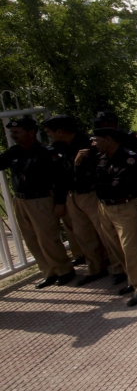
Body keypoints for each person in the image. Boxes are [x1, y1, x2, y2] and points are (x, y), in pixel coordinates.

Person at [0, 117, 76, 288]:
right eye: (12, 132)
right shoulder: (14, 152)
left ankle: (64, 270)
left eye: (17, 132)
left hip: (40, 199)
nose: (13, 135)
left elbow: (60, 179)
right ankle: (48, 271)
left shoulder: (46, 153)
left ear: (31, 133)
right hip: (20, 200)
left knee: (48, 238)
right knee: (31, 239)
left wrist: (60, 202)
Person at [91, 127, 137, 306]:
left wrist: (100, 185)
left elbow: (121, 185)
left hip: (124, 206)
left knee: (130, 249)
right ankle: (132, 280)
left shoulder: (129, 158)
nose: (93, 143)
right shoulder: (101, 157)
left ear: (108, 139)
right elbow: (93, 181)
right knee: (115, 247)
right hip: (105, 207)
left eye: (96, 140)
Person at [43, 115, 108, 285]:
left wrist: (78, 164)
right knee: (83, 235)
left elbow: (98, 170)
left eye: (49, 132)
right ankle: (96, 268)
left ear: (60, 131)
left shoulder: (89, 144)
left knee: (105, 232)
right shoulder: (58, 147)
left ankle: (119, 268)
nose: (49, 135)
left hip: (91, 194)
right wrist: (61, 200)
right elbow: (60, 175)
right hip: (73, 195)